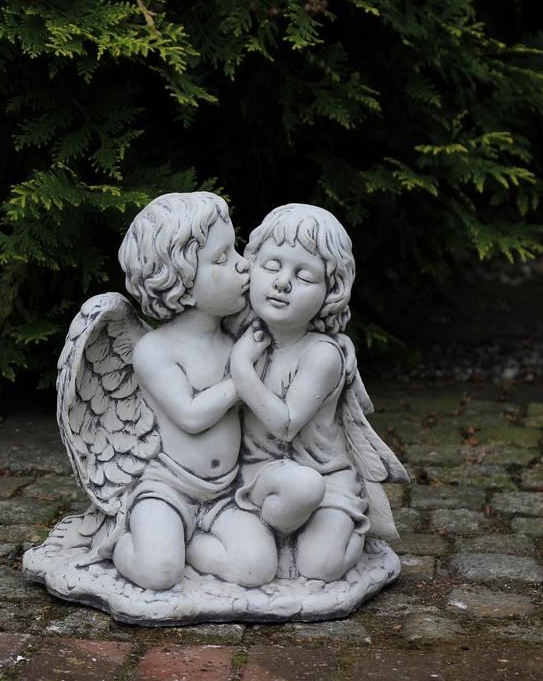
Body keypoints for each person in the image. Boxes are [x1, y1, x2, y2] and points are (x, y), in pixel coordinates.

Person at [114, 192, 278, 590]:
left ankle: (188, 548)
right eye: (222, 258)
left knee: (257, 569)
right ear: (181, 284)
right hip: (167, 488)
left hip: (226, 493)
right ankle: (119, 545)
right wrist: (242, 377)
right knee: (158, 573)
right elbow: (189, 415)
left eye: (236, 249)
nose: (243, 263)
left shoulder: (236, 339)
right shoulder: (155, 350)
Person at [230, 203, 370, 582]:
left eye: (304, 276)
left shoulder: (321, 355)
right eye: (271, 266)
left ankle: (357, 545)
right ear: (251, 267)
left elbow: (285, 425)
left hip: (324, 479)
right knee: (254, 554)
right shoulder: (239, 334)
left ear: (331, 292)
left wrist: (241, 368)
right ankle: (273, 542)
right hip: (257, 475)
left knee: (321, 566)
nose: (282, 283)